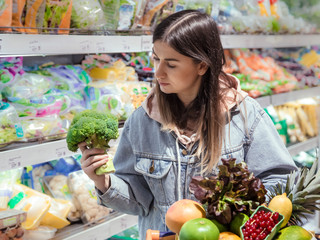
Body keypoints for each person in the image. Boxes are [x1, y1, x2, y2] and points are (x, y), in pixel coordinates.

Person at [79, 10, 297, 239]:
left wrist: (243, 215)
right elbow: (137, 202)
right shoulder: (142, 120)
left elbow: (280, 181)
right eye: (156, 59)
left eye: (171, 64)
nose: (158, 72)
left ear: (202, 66)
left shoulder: (243, 114)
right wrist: (102, 180)